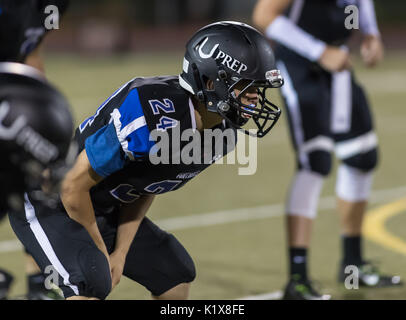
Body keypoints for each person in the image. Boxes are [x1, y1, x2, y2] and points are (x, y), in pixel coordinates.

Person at [9, 21, 284, 300]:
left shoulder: (223, 134)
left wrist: (121, 253)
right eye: (246, 88)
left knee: (174, 276)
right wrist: (103, 255)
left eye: (258, 89)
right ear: (212, 82)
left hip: (101, 206)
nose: (254, 100)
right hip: (49, 201)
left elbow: (147, 185)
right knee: (92, 283)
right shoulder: (151, 113)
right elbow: (71, 186)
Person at [252, 0, 402, 300]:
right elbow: (264, 16)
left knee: (361, 157)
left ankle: (353, 264)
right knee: (315, 162)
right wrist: (318, 51)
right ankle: (298, 279)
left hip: (338, 62)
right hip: (300, 65)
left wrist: (371, 34)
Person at [0, 0, 70, 299]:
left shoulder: (50, 5)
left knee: (33, 184)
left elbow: (30, 53)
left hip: (10, 99)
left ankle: (40, 282)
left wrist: (38, 110)